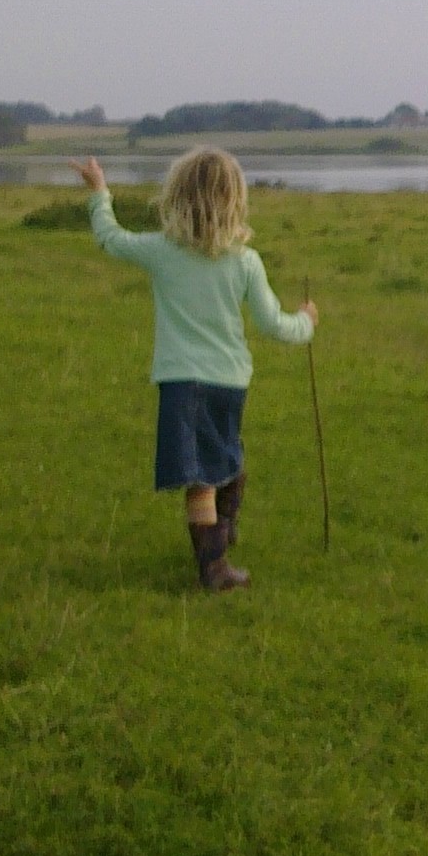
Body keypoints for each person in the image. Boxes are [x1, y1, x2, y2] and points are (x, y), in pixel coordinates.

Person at [73, 148, 317, 593]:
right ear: (234, 200)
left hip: (182, 382)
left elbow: (110, 238)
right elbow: (272, 324)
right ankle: (217, 554)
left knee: (208, 474)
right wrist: (306, 323)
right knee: (221, 464)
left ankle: (216, 553)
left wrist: (99, 192)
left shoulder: (163, 252)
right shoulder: (245, 260)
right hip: (230, 383)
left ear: (176, 197)